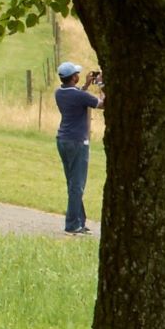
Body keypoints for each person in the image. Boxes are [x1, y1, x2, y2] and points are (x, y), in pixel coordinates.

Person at [54, 60, 103, 236]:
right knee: (78, 185)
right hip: (77, 142)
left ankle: (79, 221)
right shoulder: (79, 96)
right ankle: (72, 225)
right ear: (73, 77)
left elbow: (77, 97)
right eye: (77, 73)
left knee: (72, 182)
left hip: (63, 140)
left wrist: (87, 85)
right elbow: (101, 103)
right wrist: (102, 85)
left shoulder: (59, 92)